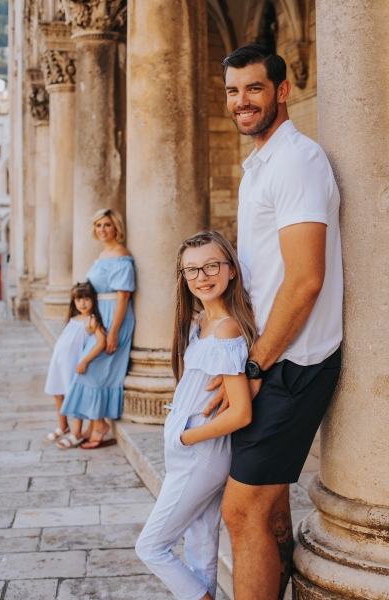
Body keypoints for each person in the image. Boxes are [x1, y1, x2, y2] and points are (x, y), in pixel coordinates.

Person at [203, 44, 343, 600]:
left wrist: (258, 364)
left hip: (292, 363)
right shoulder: (261, 162)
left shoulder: (297, 161)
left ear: (282, 91)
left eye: (254, 88)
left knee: (241, 512)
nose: (242, 101)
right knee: (270, 507)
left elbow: (305, 279)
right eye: (234, 90)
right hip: (266, 355)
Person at [136, 230, 257, 600]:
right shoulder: (201, 322)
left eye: (211, 266)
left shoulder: (226, 330)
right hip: (191, 452)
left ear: (231, 270)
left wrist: (186, 436)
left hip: (199, 454)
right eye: (192, 270)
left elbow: (240, 413)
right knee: (201, 549)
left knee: (151, 547)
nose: (202, 277)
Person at [60, 208, 135, 450]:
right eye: (98, 226)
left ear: (116, 228)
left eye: (107, 225)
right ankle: (96, 424)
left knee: (94, 368)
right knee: (87, 369)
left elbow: (123, 297)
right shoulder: (102, 255)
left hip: (116, 318)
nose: (102, 230)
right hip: (101, 316)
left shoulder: (121, 255)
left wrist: (113, 331)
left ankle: (100, 426)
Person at [44, 281, 106, 448]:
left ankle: (77, 432)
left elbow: (101, 342)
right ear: (74, 302)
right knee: (57, 393)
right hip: (59, 362)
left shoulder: (92, 321)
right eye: (79, 300)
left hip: (74, 364)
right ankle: (63, 426)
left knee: (73, 397)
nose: (83, 303)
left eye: (86, 299)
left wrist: (85, 360)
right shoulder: (72, 319)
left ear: (93, 300)